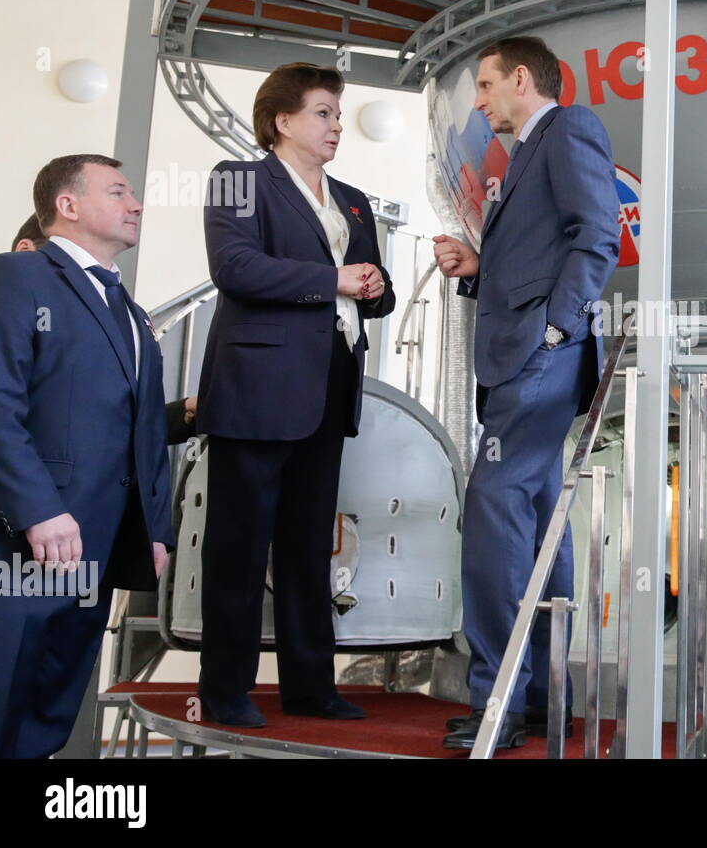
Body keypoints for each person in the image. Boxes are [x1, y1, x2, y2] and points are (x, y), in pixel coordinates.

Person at [433, 36, 620, 749]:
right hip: (529, 353)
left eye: (485, 86)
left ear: (521, 78)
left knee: (492, 507)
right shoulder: (525, 153)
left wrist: (555, 329)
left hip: (542, 357)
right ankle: (542, 696)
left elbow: (596, 234)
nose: (479, 102)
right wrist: (479, 267)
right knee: (540, 523)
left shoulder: (567, 128)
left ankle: (497, 702)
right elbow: (542, 253)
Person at [195, 62, 395, 728]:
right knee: (238, 546)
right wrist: (334, 279)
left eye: (338, 114)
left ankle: (311, 688)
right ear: (282, 120)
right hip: (257, 387)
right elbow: (235, 268)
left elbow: (374, 288)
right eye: (323, 113)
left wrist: (374, 286)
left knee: (311, 547)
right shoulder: (239, 179)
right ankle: (225, 690)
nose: (337, 125)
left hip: (330, 386)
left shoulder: (353, 199)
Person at [0, 154, 173, 758]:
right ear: (67, 205)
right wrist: (38, 509)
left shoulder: (130, 311)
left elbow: (145, 429)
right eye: (118, 191)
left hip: (100, 545)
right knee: (3, 692)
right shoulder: (16, 277)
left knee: (50, 706)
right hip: (25, 540)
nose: (136, 204)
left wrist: (154, 528)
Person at [9, 212, 200, 442]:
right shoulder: (13, 315)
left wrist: (185, 411)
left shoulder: (130, 317)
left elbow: (112, 422)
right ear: (24, 250)